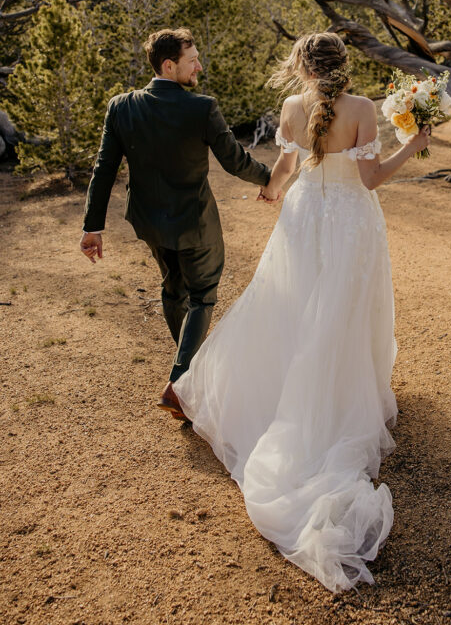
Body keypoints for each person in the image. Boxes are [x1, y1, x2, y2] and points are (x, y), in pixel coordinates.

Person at [174, 32, 430, 593]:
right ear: (344, 65)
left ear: (301, 66)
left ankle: (281, 388)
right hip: (348, 221)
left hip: (304, 216)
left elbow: (286, 165)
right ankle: (336, 391)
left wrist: (272, 194)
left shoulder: (292, 107)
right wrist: (416, 140)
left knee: (292, 305)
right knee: (339, 311)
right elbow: (372, 178)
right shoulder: (362, 110)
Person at [79, 28, 273, 416]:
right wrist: (273, 179)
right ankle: (180, 383)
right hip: (195, 224)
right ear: (169, 65)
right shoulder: (202, 108)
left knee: (172, 290)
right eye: (192, 60)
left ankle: (189, 379)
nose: (199, 66)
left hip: (150, 224)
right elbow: (235, 161)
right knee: (202, 295)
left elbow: (104, 169)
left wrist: (92, 227)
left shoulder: (121, 106)